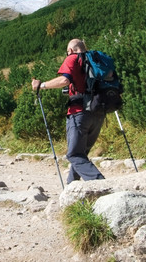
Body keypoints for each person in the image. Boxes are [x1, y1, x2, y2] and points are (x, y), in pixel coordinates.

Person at [31, 39, 106, 184]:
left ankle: (101, 184)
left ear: (70, 50)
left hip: (79, 113)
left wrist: (41, 85)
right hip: (99, 113)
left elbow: (64, 81)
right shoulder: (95, 60)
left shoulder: (72, 58)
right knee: (80, 154)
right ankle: (72, 188)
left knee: (74, 155)